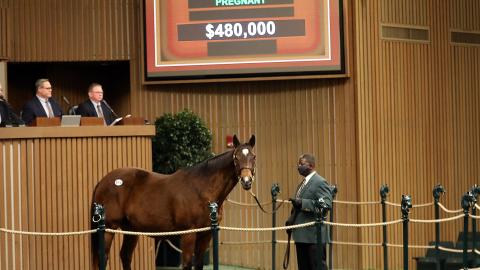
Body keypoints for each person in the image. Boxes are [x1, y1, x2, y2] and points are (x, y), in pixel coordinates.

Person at [285, 154, 332, 270]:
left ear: (310, 165)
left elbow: (326, 205)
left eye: (301, 164)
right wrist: (291, 220)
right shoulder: (302, 184)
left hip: (314, 237)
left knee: (317, 267)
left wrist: (303, 203)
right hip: (301, 236)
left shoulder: (320, 182)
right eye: (298, 164)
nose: (298, 166)